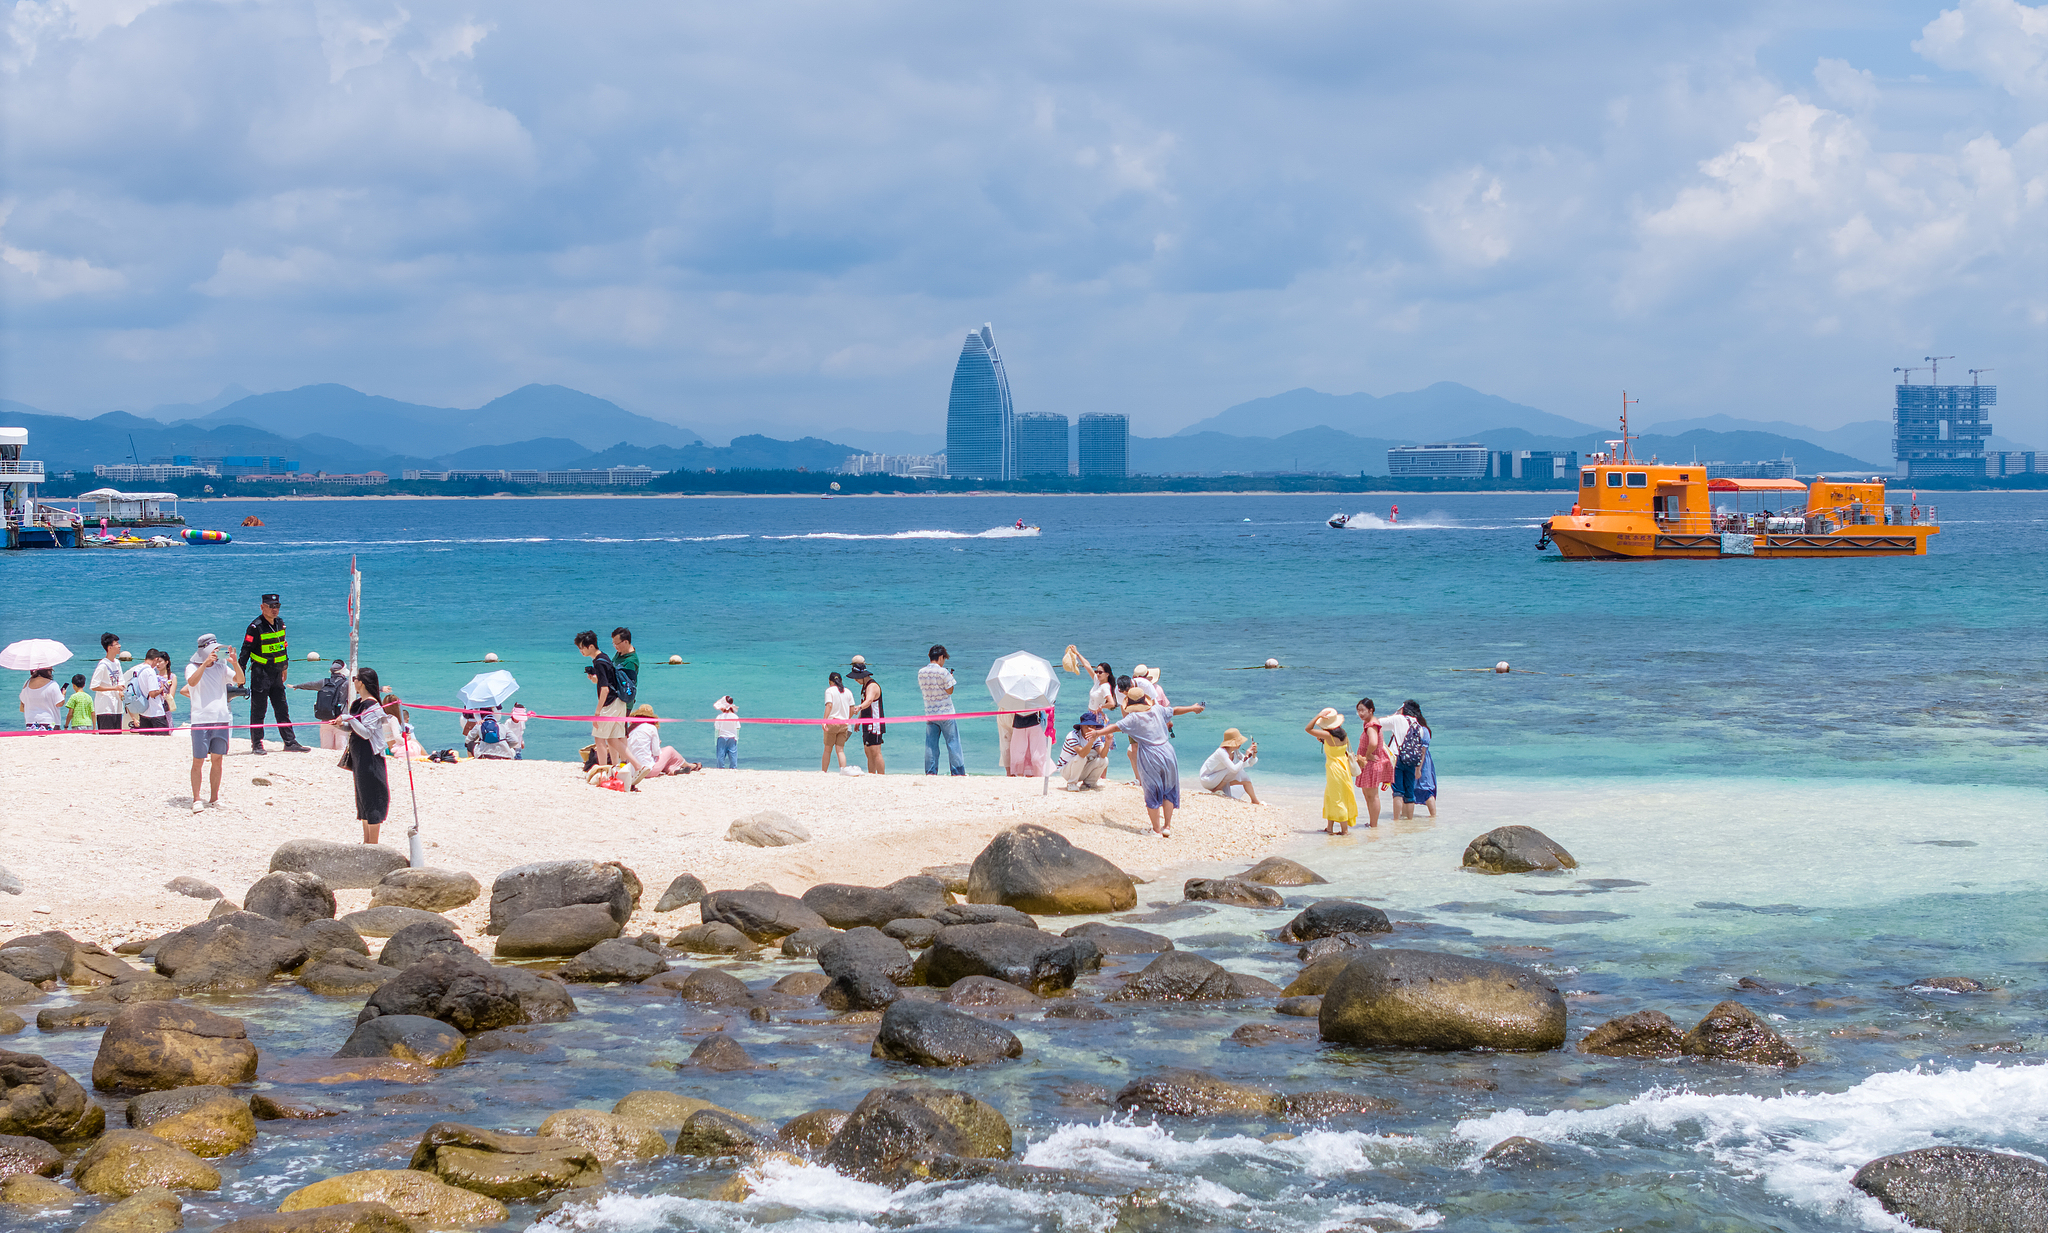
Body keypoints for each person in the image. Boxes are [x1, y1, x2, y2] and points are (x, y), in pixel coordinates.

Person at [1091, 686, 1205, 838]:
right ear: (1145, 700)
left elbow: (1115, 727)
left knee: (1152, 790)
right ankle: (1167, 826)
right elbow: (1175, 710)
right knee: (1168, 788)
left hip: (1150, 754)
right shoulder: (1157, 709)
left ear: (1129, 704)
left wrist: (1098, 732)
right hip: (1168, 751)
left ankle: (1156, 830)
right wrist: (1193, 708)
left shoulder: (1133, 718)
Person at [239, 593, 309, 754]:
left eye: (277, 606)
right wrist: (240, 677)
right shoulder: (255, 627)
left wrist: (285, 666)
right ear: (262, 607)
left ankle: (290, 742)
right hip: (260, 673)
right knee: (259, 710)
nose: (274, 609)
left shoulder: (280, 623)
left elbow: (282, 646)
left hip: (277, 673)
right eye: (271, 606)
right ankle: (257, 744)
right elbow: (245, 652)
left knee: (282, 708)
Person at [576, 629, 645, 784]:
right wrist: (598, 679)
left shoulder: (628, 660)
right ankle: (631, 766)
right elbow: (610, 679)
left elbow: (607, 688)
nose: (614, 646)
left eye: (582, 647)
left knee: (601, 738)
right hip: (618, 701)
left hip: (615, 702)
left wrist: (597, 711)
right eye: (613, 643)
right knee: (614, 739)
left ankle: (603, 771)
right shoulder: (609, 657)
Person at [185, 633, 244, 814]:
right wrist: (204, 664)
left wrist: (235, 662)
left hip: (221, 718)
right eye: (214, 649)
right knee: (199, 760)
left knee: (217, 760)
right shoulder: (191, 666)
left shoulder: (221, 666)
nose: (216, 652)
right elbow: (192, 682)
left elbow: (240, 680)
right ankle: (197, 798)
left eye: (217, 649)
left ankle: (214, 798)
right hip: (201, 719)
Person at [338, 666, 396, 844]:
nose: (353, 681)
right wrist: (341, 724)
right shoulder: (357, 704)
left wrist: (349, 718)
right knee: (362, 797)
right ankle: (366, 841)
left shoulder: (373, 706)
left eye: (355, 678)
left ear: (361, 682)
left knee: (373, 796)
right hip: (358, 755)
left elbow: (366, 733)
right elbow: (354, 729)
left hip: (370, 756)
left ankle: (373, 843)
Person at [1306, 708, 1358, 834]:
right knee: (1332, 796)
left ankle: (1344, 830)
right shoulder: (1342, 733)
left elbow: (1308, 729)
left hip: (1334, 769)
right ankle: (1329, 828)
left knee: (1336, 798)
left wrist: (1318, 715)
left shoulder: (1328, 735)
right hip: (1343, 768)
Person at [918, 644, 965, 776]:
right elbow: (950, 691)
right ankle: (957, 772)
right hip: (946, 713)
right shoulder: (943, 672)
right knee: (953, 743)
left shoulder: (921, 672)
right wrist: (949, 676)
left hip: (930, 713)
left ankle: (930, 772)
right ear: (940, 657)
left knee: (931, 745)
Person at [625, 704, 700, 780]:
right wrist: (658, 744)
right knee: (669, 750)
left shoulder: (630, 729)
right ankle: (689, 765)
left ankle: (673, 770)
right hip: (646, 771)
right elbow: (656, 752)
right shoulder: (651, 728)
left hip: (631, 770)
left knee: (662, 758)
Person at [1391, 699, 1437, 819]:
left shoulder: (1421, 729)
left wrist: (1419, 768)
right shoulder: (1420, 728)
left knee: (1426, 789)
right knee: (1412, 789)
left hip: (1421, 762)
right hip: (1416, 760)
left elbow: (1423, 750)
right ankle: (1407, 816)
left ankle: (1433, 816)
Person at [1352, 697, 1391, 827]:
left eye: (1363, 710)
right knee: (1368, 794)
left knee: (1372, 795)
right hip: (1370, 763)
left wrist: (1368, 754)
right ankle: (1372, 823)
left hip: (1372, 763)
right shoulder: (1372, 723)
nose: (1360, 714)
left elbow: (1373, 742)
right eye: (1358, 711)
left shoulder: (1371, 725)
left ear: (1371, 710)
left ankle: (1374, 825)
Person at [295, 660, 351, 750]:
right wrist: (379, 689)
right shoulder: (347, 684)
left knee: (325, 749)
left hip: (325, 720)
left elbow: (310, 685)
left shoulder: (324, 682)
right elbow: (365, 688)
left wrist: (297, 686)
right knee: (341, 749)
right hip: (340, 720)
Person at [1198, 729, 1261, 803]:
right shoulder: (1221, 752)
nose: (1240, 743)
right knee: (1234, 769)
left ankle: (1254, 800)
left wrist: (1254, 753)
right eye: (1238, 741)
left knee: (1244, 777)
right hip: (1207, 779)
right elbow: (1233, 769)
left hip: (1218, 778)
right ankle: (1218, 789)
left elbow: (1249, 763)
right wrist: (1246, 756)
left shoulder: (1234, 751)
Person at [1055, 711, 1110, 789]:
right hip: (1067, 770)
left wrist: (1107, 742)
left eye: (1093, 727)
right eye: (1088, 726)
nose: (1090, 729)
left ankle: (1089, 783)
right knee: (1081, 757)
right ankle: (1072, 783)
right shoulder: (1073, 735)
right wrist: (1091, 741)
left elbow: (1103, 755)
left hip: (1081, 769)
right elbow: (1081, 754)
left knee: (1104, 760)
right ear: (1081, 727)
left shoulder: (1095, 737)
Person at [850, 656, 885, 774]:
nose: (855, 680)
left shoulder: (872, 686)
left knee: (876, 751)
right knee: (868, 751)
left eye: (856, 678)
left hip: (874, 723)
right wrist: (859, 720)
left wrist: (858, 707)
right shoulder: (864, 687)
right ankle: (871, 774)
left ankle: (881, 775)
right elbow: (865, 704)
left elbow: (869, 701)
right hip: (866, 721)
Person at [89, 633, 126, 733]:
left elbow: (121, 680)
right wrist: (114, 688)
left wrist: (121, 690)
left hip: (117, 706)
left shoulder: (117, 663)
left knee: (117, 735)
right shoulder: (103, 665)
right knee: (107, 736)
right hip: (105, 707)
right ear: (109, 647)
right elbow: (94, 686)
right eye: (117, 644)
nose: (119, 646)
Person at [821, 671, 856, 771]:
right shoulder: (848, 691)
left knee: (827, 749)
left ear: (830, 681)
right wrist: (847, 719)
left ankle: (824, 771)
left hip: (832, 722)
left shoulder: (829, 691)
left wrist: (824, 720)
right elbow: (852, 708)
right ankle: (843, 770)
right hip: (844, 723)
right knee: (840, 750)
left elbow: (829, 705)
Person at [131, 650, 171, 735]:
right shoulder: (150, 671)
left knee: (146, 741)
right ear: (155, 659)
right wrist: (161, 689)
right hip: (155, 712)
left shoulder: (138, 669)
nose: (157, 665)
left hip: (143, 711)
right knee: (162, 741)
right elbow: (152, 693)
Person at [1008, 708, 1051, 776]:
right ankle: (1028, 774)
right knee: (1020, 755)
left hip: (1026, 721)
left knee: (1031, 755)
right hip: (1026, 722)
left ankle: (1030, 774)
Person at [610, 628, 640, 712]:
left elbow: (628, 685)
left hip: (623, 702)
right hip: (614, 700)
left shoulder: (630, 661)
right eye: (613, 643)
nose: (615, 646)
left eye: (617, 644)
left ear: (625, 642)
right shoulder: (621, 652)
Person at [713, 695, 740, 768]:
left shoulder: (719, 717)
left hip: (722, 738)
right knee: (733, 756)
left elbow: (717, 729)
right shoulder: (735, 716)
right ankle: (733, 769)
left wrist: (715, 741)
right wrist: (737, 739)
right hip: (732, 738)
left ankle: (721, 769)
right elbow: (738, 728)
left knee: (720, 757)